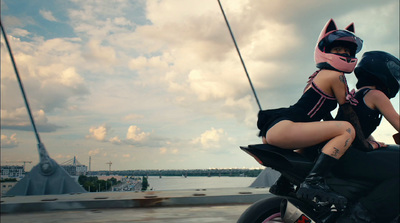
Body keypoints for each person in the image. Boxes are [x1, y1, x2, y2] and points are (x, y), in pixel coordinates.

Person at [257, 18, 364, 205]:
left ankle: (284, 182)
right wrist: (364, 143)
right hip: (286, 128)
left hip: (280, 126)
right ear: (325, 51)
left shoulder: (316, 77)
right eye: (338, 50)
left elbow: (322, 116)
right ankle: (313, 182)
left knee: (323, 138)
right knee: (347, 129)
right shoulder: (336, 76)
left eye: (348, 51)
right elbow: (347, 113)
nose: (345, 54)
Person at [334, 51, 400, 222]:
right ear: (383, 71)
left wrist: (373, 142)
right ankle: (361, 216)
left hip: (340, 154)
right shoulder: (377, 95)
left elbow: (359, 126)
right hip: (350, 156)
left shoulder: (358, 95)